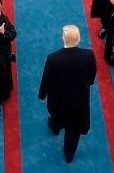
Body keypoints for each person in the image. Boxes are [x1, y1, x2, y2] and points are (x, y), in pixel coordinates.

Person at [39, 24, 98, 163]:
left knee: (56, 116)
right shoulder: (88, 55)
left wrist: (42, 95)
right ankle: (69, 155)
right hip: (79, 101)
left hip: (58, 99)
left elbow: (46, 78)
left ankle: (55, 127)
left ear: (64, 39)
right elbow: (91, 75)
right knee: (74, 129)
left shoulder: (53, 58)